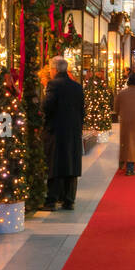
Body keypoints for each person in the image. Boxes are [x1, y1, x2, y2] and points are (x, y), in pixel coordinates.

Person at [42, 56, 85, 211]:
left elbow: (48, 106)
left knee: (55, 164)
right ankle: (69, 200)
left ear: (54, 69)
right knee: (71, 164)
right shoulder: (77, 86)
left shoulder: (53, 84)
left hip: (57, 131)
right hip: (73, 131)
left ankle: (51, 200)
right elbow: (82, 110)